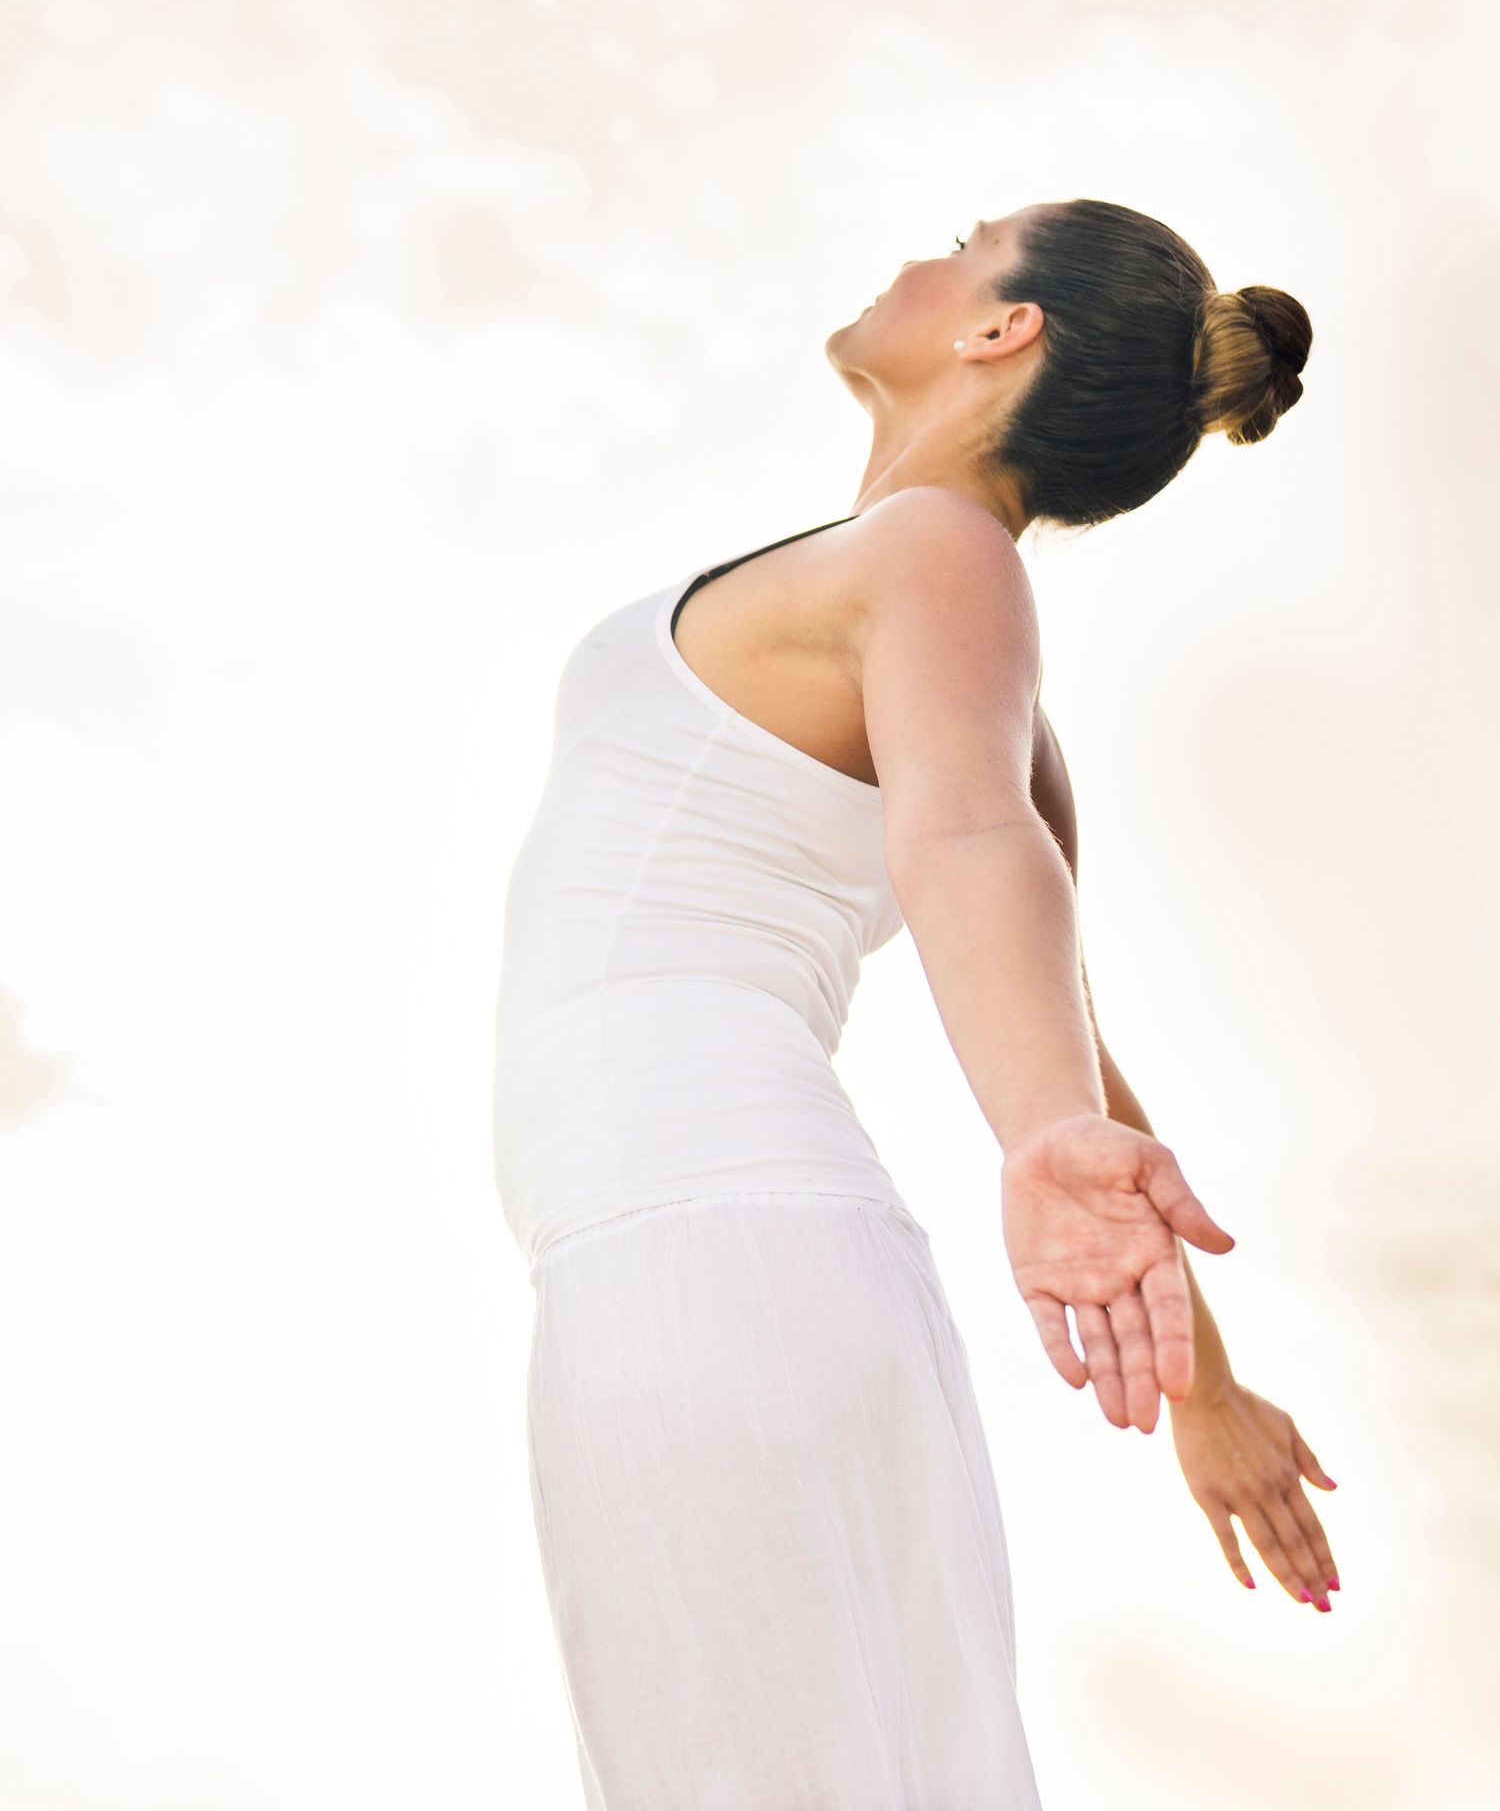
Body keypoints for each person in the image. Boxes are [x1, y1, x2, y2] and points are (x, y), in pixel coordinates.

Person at [490, 198, 1338, 1808]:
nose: (920, 255)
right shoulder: (919, 588)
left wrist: (1038, 1143)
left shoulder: (941, 550)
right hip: (701, 1248)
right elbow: (1071, 1034)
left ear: (1001, 328)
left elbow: (969, 851)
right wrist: (1205, 1393)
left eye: (966, 239)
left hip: (706, 1239)